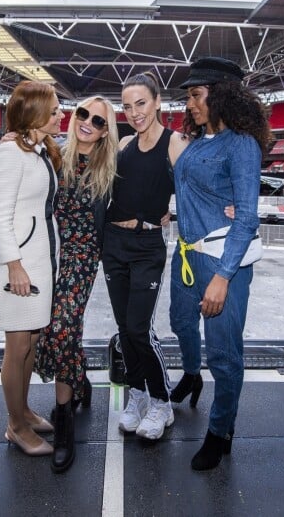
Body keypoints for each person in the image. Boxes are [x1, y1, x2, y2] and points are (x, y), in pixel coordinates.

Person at [169, 57, 272, 470]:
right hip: (186, 256)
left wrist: (224, 278)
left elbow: (247, 215)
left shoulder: (242, 145)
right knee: (180, 323)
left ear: (222, 94)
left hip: (220, 263)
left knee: (225, 356)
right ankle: (192, 374)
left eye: (196, 94)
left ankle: (220, 431)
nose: (190, 102)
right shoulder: (197, 143)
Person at [101, 72, 188, 441]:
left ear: (157, 103)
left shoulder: (176, 142)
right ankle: (137, 394)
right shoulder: (122, 145)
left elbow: (196, 189)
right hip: (113, 243)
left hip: (147, 245)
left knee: (139, 327)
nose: (134, 112)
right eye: (127, 106)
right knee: (124, 329)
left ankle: (162, 402)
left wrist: (176, 213)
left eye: (141, 103)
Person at [34, 96, 118, 472]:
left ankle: (64, 418)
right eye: (83, 113)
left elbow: (154, 173)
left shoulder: (111, 165)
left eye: (98, 121)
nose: (87, 122)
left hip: (83, 256)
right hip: (47, 254)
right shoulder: (54, 155)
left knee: (64, 326)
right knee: (51, 329)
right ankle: (79, 380)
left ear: (105, 131)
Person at [0, 80, 64, 457]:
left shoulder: (37, 151)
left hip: (40, 261)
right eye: (54, 111)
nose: (60, 115)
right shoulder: (10, 155)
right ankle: (15, 426)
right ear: (34, 115)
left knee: (31, 341)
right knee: (17, 347)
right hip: (21, 267)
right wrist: (14, 266)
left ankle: (24, 410)